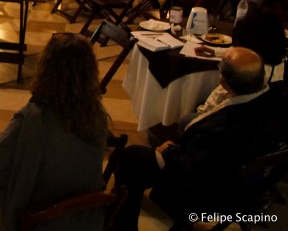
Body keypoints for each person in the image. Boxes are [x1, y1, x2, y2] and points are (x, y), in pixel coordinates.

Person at [113, 47, 288, 231]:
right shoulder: (280, 96)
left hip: (209, 193)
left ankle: (123, 225)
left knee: (132, 157)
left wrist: (168, 151)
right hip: (253, 185)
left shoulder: (219, 128)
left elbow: (188, 169)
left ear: (223, 82)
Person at [0, 34, 109, 231]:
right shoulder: (99, 115)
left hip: (39, 222)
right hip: (85, 220)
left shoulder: (36, 116)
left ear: (46, 69)